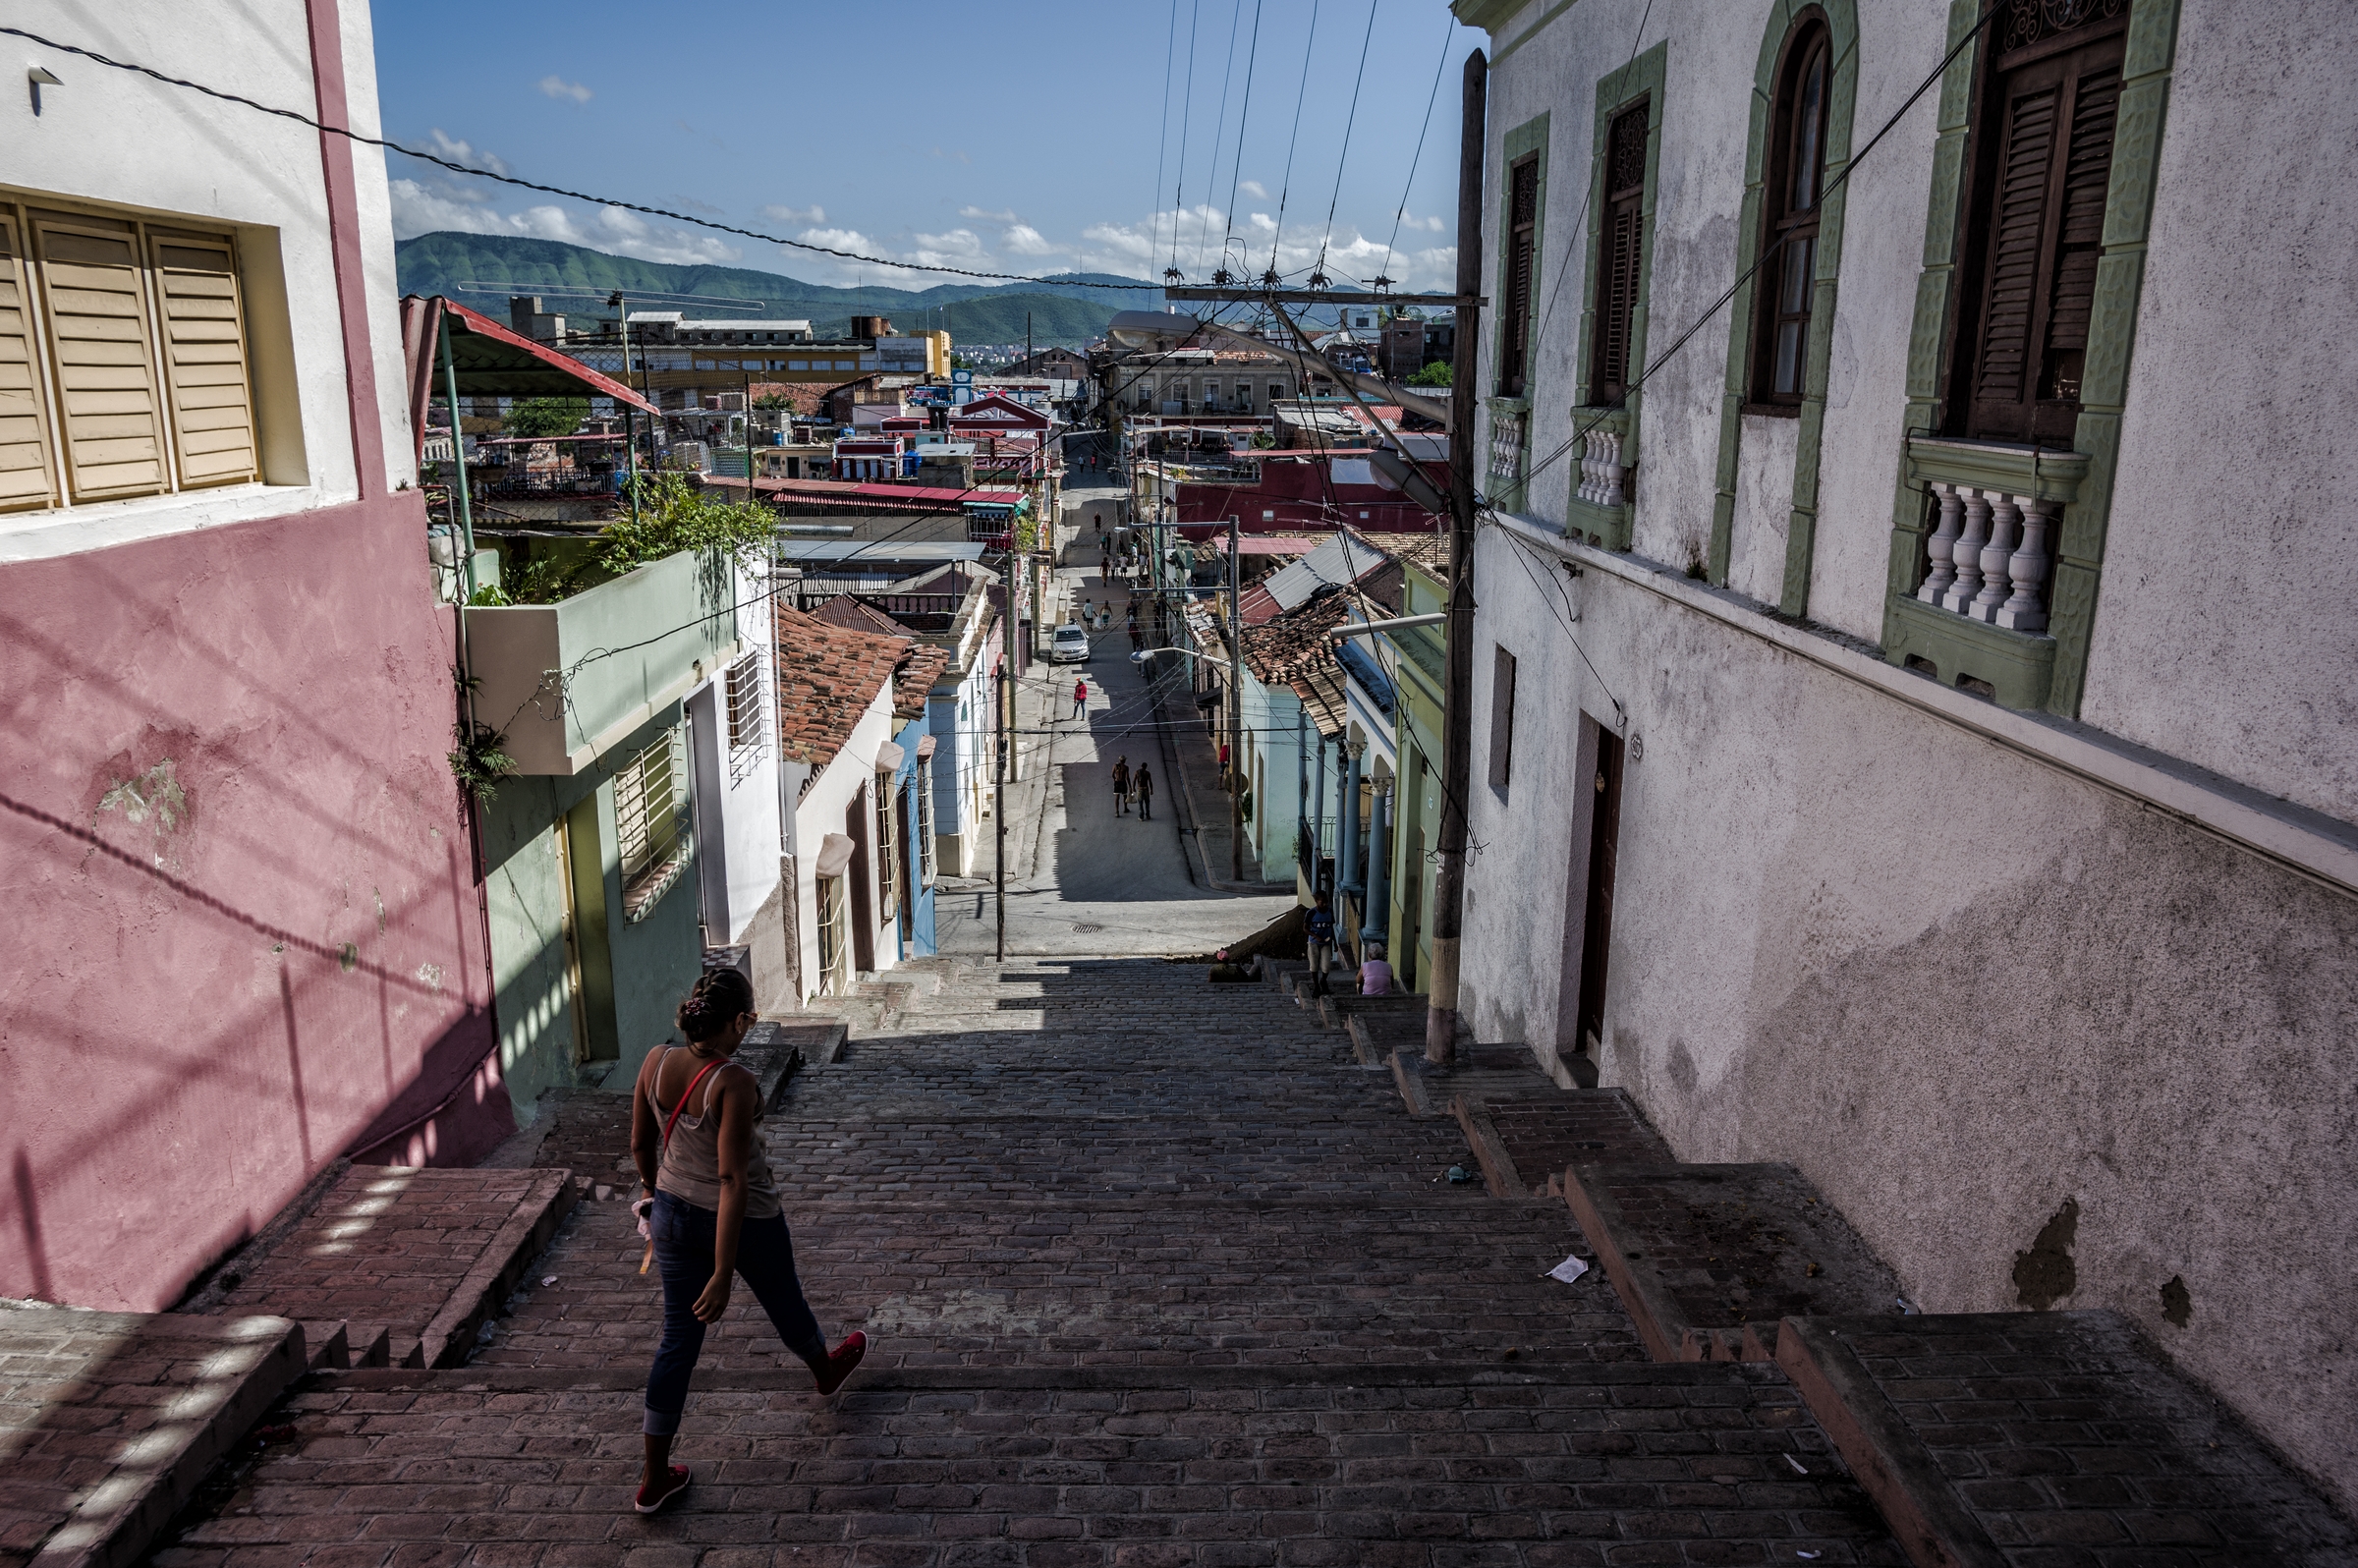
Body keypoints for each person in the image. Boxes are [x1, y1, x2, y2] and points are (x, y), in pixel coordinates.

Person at [631, 968, 865, 1515]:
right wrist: (721, 1270)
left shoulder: (653, 1061)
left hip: (670, 1213)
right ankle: (824, 1370)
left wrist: (651, 1190)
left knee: (677, 1343)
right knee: (784, 1300)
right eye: (748, 1022)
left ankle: (654, 1476)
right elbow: (733, 1180)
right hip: (746, 1218)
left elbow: (641, 1142)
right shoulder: (732, 1083)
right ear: (736, 1023)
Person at [1306, 892, 1337, 997]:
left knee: (1326, 966)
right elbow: (1305, 928)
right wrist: (1315, 936)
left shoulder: (1329, 912)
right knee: (1314, 965)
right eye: (1322, 902)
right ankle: (1316, 986)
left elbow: (1331, 928)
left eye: (1326, 902)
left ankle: (1323, 980)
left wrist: (1335, 943)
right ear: (1316, 901)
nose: (1324, 904)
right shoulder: (1311, 913)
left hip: (1326, 942)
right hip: (1314, 943)